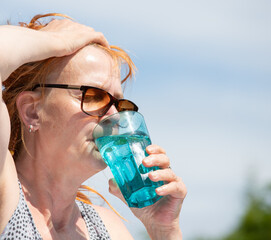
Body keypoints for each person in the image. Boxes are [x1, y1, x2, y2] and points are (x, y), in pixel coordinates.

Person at [0, 13, 187, 239]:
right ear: (32, 111)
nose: (115, 115)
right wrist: (56, 41)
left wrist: (164, 230)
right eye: (94, 96)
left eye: (120, 104)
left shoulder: (108, 228)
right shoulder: (5, 191)